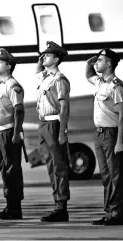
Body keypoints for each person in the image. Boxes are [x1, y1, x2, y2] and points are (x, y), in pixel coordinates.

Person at [85, 49, 123, 226]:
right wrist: (88, 63)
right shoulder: (99, 83)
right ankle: (109, 213)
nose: (96, 63)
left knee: (116, 176)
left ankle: (117, 213)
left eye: (100, 60)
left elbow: (122, 116)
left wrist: (120, 141)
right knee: (106, 176)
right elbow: (89, 75)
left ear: (109, 64)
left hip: (111, 134)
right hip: (99, 134)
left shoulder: (116, 86)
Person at [35, 41, 70, 222]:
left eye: (48, 55)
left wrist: (62, 131)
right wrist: (41, 59)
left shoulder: (60, 80)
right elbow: (37, 72)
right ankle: (57, 202)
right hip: (43, 125)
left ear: (56, 59)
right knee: (50, 165)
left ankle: (61, 207)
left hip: (54, 124)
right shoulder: (45, 77)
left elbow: (64, 108)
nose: (43, 57)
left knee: (59, 166)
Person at [0, 48, 25, 220]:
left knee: (12, 170)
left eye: (0, 62)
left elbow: (19, 111)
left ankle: (15, 207)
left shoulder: (12, 85)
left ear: (9, 66)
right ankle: (9, 205)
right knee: (4, 170)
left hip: (9, 131)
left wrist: (17, 133)